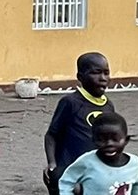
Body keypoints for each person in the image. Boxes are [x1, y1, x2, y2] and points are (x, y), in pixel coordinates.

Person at [43, 52, 116, 183]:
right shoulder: (70, 102)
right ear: (80, 77)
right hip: (72, 168)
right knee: (61, 181)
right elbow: (51, 135)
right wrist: (52, 164)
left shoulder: (108, 106)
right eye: (96, 73)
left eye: (106, 73)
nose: (103, 78)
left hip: (98, 169)